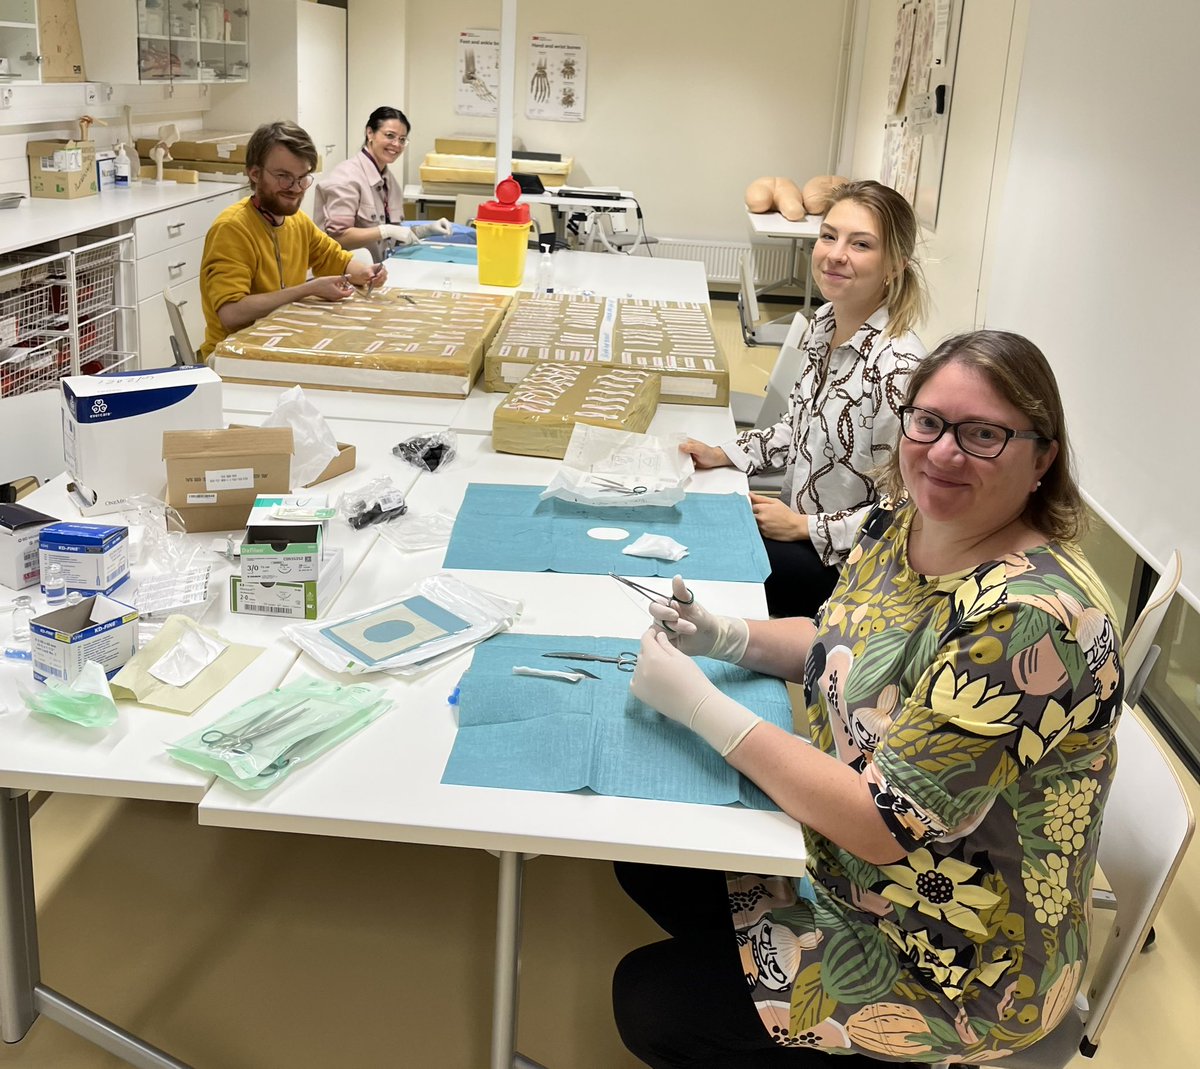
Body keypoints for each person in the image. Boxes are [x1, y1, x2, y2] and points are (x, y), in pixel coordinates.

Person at [615, 330, 1124, 1067]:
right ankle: (763, 982)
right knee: (650, 854)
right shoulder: (909, 519)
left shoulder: (1029, 620)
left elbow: (885, 823)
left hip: (959, 953)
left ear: (1043, 456)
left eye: (984, 434)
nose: (944, 451)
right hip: (854, 865)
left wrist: (701, 706)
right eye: (929, 422)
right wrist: (723, 636)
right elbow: (839, 640)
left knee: (653, 1001)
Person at [684, 180, 928, 620]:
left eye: (861, 244)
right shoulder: (824, 323)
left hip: (848, 570)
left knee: (702, 558)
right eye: (829, 236)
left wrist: (804, 527)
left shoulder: (900, 368)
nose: (836, 253)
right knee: (691, 517)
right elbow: (797, 430)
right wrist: (724, 452)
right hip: (798, 533)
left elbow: (910, 510)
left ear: (894, 265)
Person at [198, 120, 384, 358]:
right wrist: (307, 289)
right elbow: (231, 312)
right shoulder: (232, 229)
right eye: (284, 177)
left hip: (281, 342)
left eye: (302, 178)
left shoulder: (297, 222)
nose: (296, 188)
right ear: (255, 174)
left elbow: (336, 259)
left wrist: (366, 273)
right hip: (233, 356)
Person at [313, 106, 452, 262]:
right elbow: (337, 238)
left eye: (402, 139)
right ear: (370, 133)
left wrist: (424, 230)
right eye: (390, 135)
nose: (396, 144)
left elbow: (390, 238)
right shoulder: (346, 178)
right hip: (341, 276)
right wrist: (386, 231)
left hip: (374, 273)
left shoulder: (389, 182)